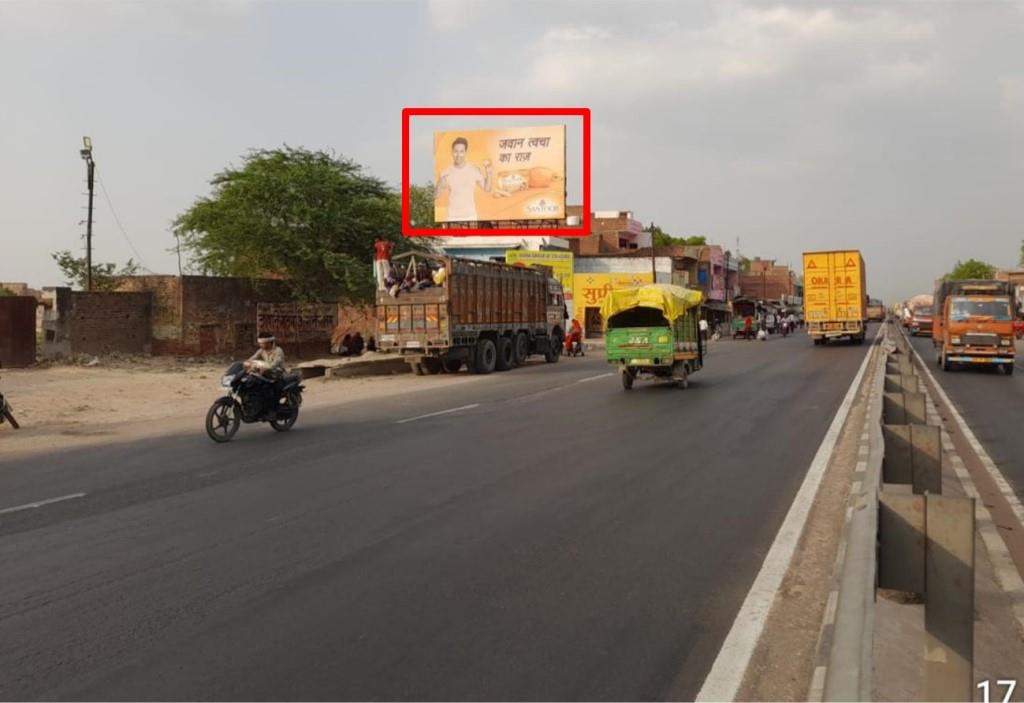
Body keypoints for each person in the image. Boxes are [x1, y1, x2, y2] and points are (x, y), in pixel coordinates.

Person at [435, 137, 492, 222]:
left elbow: (487, 189)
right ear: (452, 152)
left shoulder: (474, 169)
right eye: (456, 151)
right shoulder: (445, 172)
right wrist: (440, 183)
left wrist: (489, 173)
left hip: (471, 217)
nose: (458, 155)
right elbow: (435, 195)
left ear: (465, 152)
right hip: (452, 218)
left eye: (461, 151)